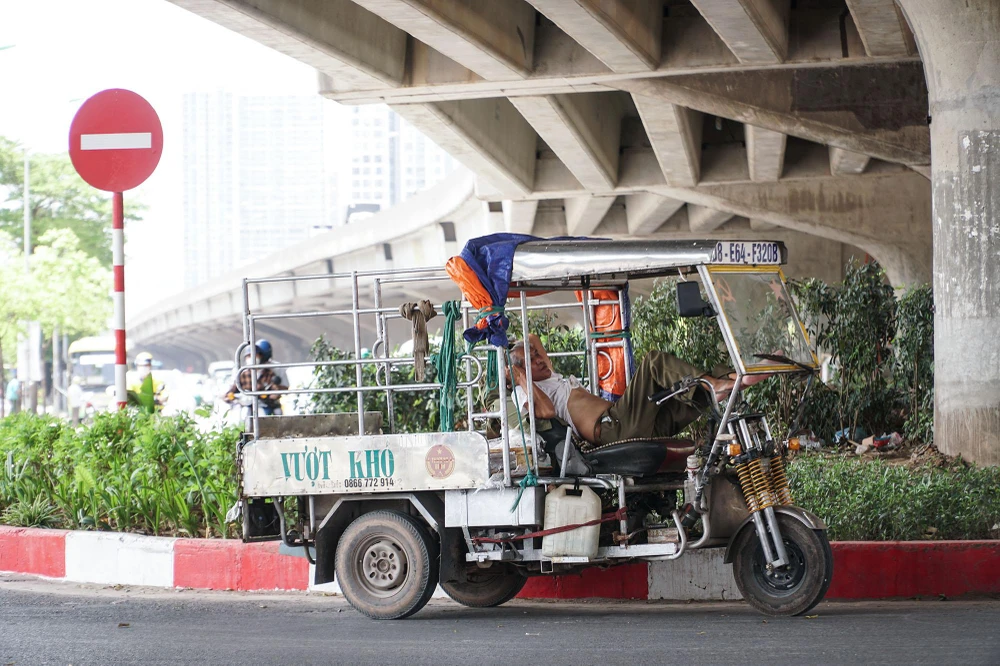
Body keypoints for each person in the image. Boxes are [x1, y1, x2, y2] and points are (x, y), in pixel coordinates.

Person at [509, 334, 770, 446]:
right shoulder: (527, 391)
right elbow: (546, 411)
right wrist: (519, 375)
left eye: (537, 355)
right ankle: (715, 385)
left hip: (637, 423)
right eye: (532, 360)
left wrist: (518, 348)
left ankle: (735, 378)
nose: (540, 359)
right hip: (615, 429)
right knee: (653, 363)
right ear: (523, 371)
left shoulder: (551, 375)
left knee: (693, 392)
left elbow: (532, 338)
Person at [226, 340, 287, 416]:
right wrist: (229, 395)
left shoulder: (268, 372)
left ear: (261, 356)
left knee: (276, 414)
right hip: (245, 405)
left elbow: (275, 387)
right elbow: (234, 387)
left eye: (255, 355)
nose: (252, 358)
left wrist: (273, 395)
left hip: (265, 404)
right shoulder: (242, 373)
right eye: (249, 356)